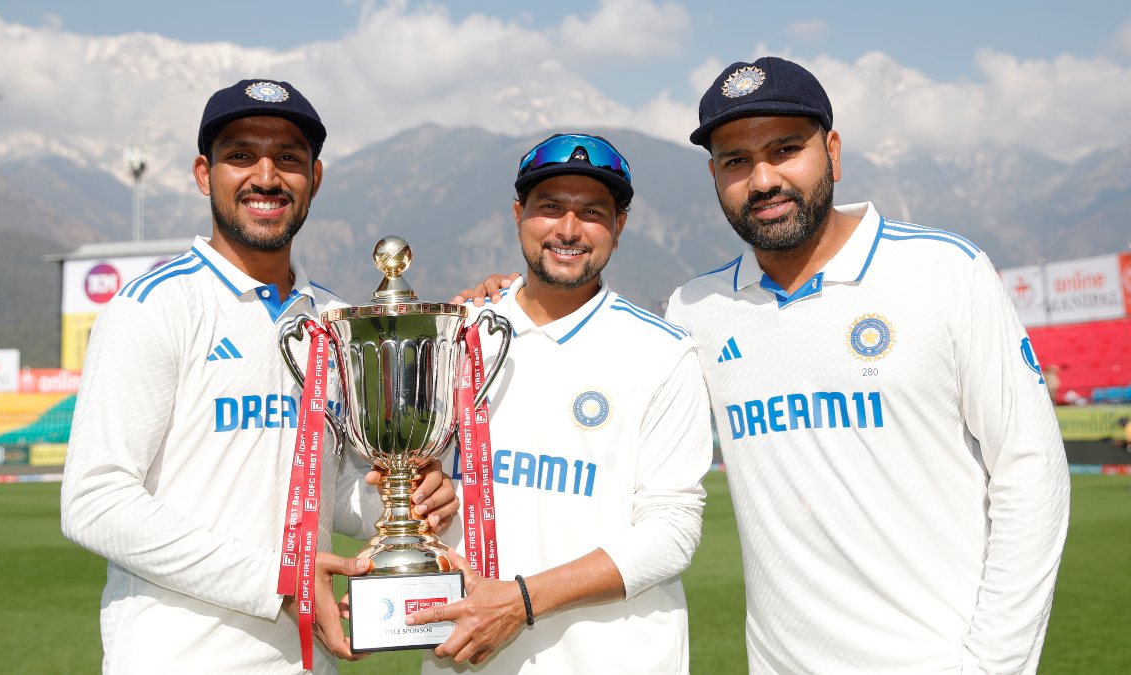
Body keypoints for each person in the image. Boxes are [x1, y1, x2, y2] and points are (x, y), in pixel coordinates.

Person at [666, 57, 1071, 673]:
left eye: (785, 149)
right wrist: (507, 305)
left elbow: (1032, 471)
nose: (764, 179)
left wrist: (994, 665)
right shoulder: (696, 309)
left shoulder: (944, 272)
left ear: (832, 150)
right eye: (736, 162)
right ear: (715, 176)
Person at [60, 79, 457, 674]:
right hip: (179, 659)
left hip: (306, 661)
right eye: (241, 155)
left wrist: (401, 500)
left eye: (288, 159)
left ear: (314, 179)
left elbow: (329, 489)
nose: (266, 177)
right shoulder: (154, 307)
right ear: (204, 173)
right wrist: (278, 577)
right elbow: (94, 501)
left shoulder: (336, 319)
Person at [408, 134, 713, 673]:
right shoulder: (454, 336)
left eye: (592, 213)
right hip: (470, 661)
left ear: (619, 227)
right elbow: (405, 478)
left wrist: (521, 601)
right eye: (550, 208)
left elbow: (672, 532)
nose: (568, 230)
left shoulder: (663, 352)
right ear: (519, 214)